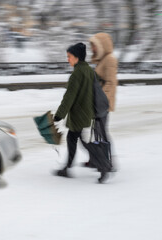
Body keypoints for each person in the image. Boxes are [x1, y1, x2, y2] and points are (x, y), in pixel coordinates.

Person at [53, 42, 95, 179]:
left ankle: (67, 168)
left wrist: (59, 114)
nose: (68, 59)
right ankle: (97, 159)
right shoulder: (89, 70)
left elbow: (69, 97)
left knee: (72, 139)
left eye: (69, 56)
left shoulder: (77, 74)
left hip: (78, 114)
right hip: (86, 112)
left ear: (77, 57)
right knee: (80, 139)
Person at [85, 32, 118, 171]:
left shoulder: (109, 59)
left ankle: (108, 162)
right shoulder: (102, 60)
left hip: (102, 103)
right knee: (97, 131)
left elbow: (110, 83)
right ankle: (96, 159)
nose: (92, 49)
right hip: (98, 102)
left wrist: (101, 102)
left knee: (102, 132)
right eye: (91, 46)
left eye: (94, 46)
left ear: (102, 45)